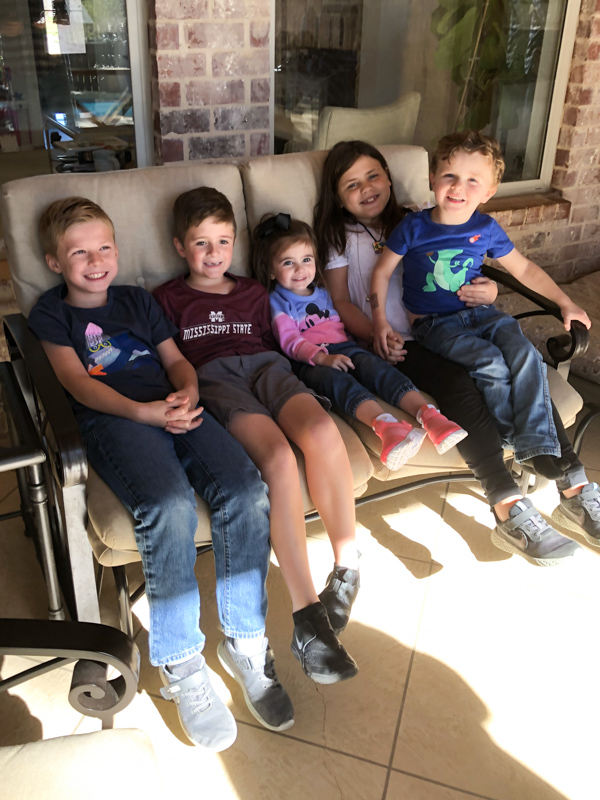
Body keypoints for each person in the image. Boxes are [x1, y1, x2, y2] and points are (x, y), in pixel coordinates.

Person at [28, 196, 295, 752]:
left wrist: (187, 393)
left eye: (104, 247)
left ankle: (244, 642)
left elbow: (175, 359)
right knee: (169, 506)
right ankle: (180, 666)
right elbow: (77, 383)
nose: (95, 260)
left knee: (246, 489)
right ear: (55, 262)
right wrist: (146, 413)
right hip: (114, 418)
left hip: (173, 404)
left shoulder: (138, 301)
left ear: (118, 250)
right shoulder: (52, 314)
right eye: (79, 252)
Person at [314, 139, 597, 566]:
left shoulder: (419, 216)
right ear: (336, 195)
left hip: (454, 320)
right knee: (461, 384)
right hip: (394, 339)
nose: (367, 188)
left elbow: (467, 260)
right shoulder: (339, 237)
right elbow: (341, 300)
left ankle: (574, 487)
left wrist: (494, 288)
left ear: (390, 178)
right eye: (351, 183)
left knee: (525, 364)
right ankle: (507, 503)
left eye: (373, 175)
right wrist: (377, 330)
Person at [153, 186, 359, 684]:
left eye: (223, 242)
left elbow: (295, 331)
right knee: (278, 459)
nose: (214, 254)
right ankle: (308, 614)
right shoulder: (166, 299)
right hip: (216, 379)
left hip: (270, 368)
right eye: (201, 244)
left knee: (320, 431)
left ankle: (348, 567)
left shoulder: (252, 291)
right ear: (180, 246)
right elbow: (163, 359)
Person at [251, 211, 467, 471]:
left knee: (377, 369)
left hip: (346, 348)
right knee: (335, 381)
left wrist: (363, 347)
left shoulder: (321, 292)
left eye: (306, 259)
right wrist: (322, 358)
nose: (300, 269)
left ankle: (430, 416)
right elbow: (290, 341)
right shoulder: (277, 300)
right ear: (270, 270)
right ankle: (387, 426)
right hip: (311, 361)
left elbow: (338, 326)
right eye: (288, 263)